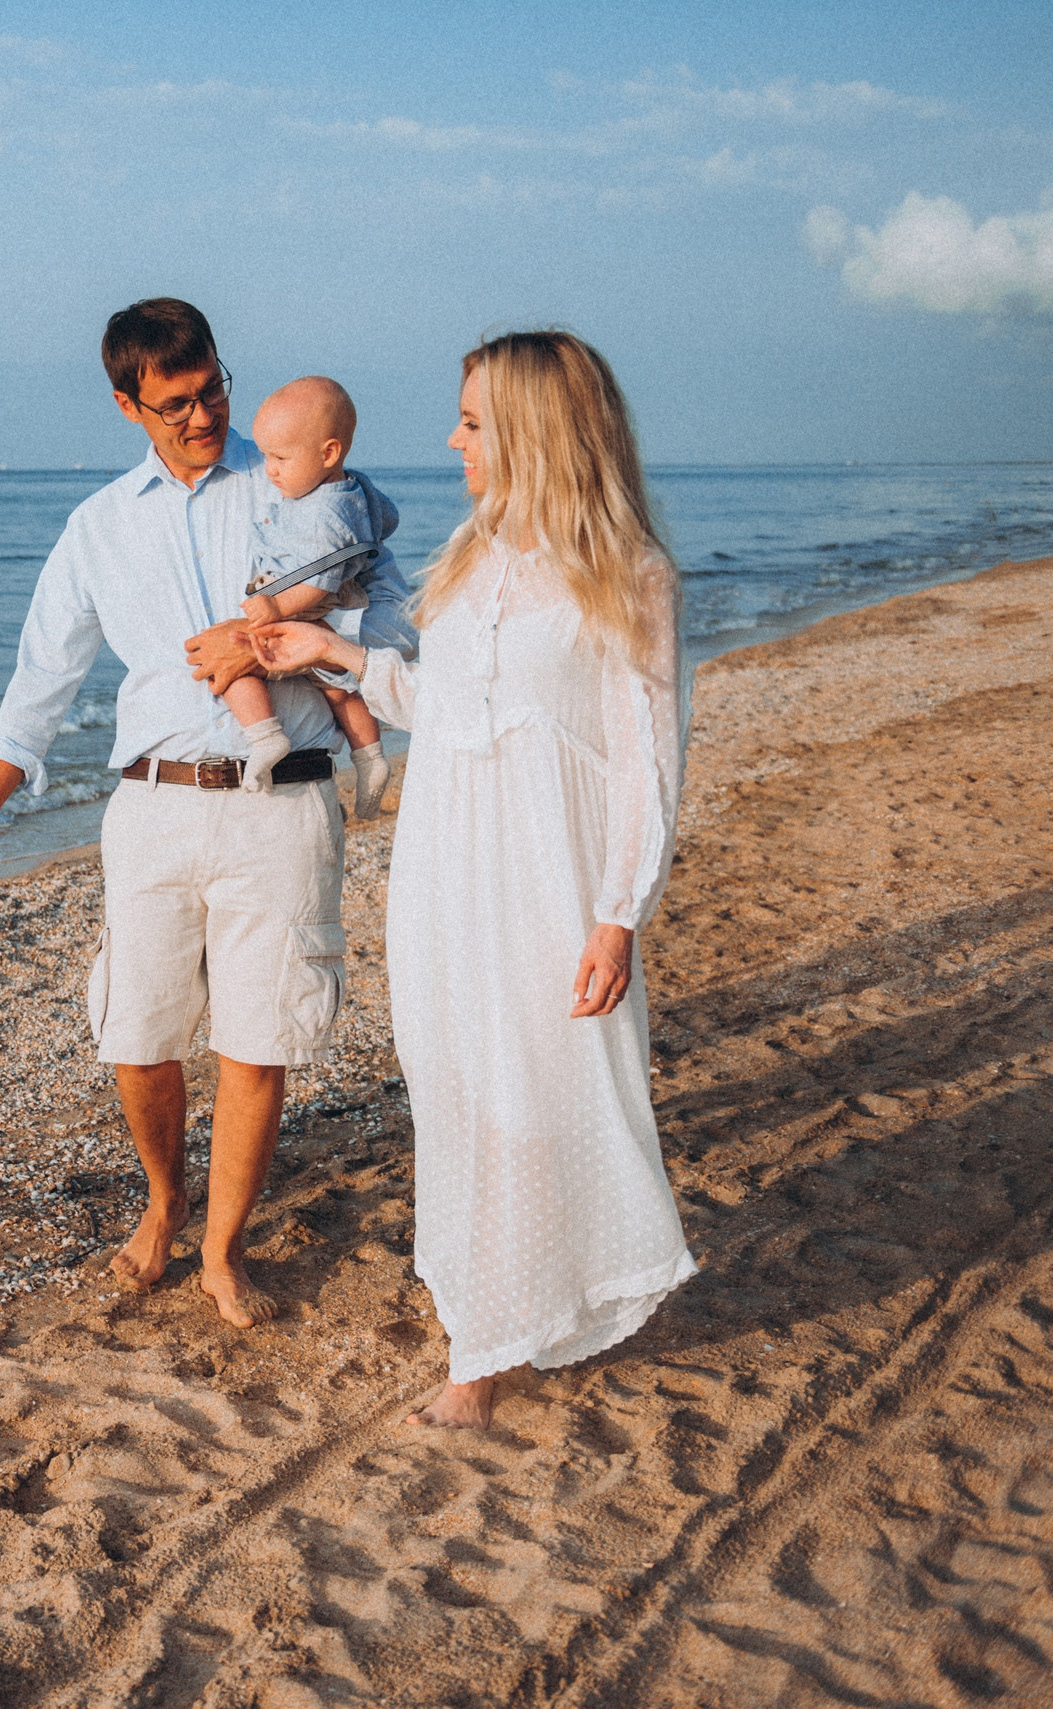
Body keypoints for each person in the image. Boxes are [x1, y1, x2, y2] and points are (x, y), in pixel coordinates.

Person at [0, 298, 401, 1328]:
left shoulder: (291, 481)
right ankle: (163, 1196)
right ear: (126, 403)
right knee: (137, 1036)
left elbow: (383, 604)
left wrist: (275, 636)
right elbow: (39, 679)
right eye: (176, 403)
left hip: (283, 802)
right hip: (151, 802)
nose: (202, 416)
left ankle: (222, 1248)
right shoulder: (98, 525)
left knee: (256, 1038)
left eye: (213, 389)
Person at [252, 330, 697, 1429]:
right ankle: (492, 1309)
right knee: (457, 1086)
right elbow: (449, 702)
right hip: (446, 862)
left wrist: (616, 914)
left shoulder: (630, 573)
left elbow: (647, 760)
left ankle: (489, 1346)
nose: (451, 438)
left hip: (551, 871)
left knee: (544, 1087)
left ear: (534, 430)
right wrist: (339, 660)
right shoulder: (470, 554)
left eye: (471, 420)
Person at [219, 375, 408, 819]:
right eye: (266, 456)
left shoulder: (326, 511)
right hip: (339, 598)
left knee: (234, 659)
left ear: (328, 453)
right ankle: (370, 758)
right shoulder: (352, 487)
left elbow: (319, 580)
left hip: (308, 600)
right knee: (340, 692)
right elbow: (389, 518)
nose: (270, 470)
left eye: (281, 458)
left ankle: (266, 738)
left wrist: (275, 607)